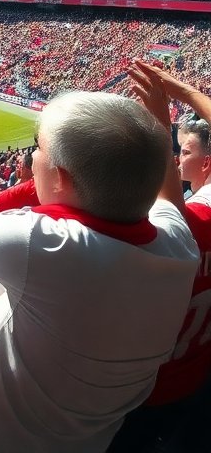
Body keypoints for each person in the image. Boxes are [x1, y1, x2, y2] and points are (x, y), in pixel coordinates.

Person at [0, 85, 199, 452]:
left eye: (38, 148)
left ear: (61, 178)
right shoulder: (178, 244)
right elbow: (167, 195)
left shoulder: (44, 243)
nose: (32, 157)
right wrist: (156, 129)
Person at [109, 62, 211, 451]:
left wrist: (160, 115)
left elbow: (169, 201)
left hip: (147, 388)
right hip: (196, 376)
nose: (179, 158)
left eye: (185, 151)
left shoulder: (191, 223)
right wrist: (183, 94)